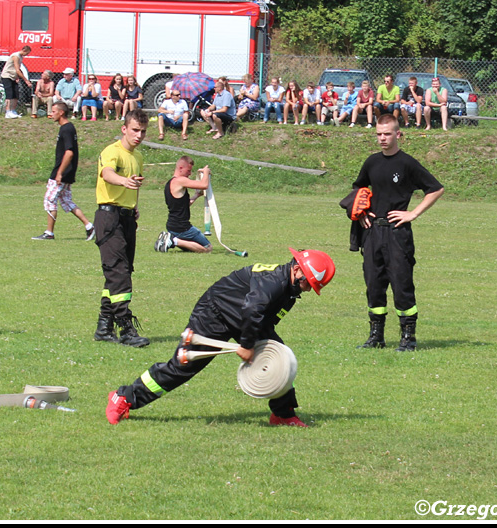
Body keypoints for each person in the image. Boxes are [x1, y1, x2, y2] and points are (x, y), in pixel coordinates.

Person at [105, 248, 336, 427]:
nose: (307, 289)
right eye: (308, 283)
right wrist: (247, 345)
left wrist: (261, 344)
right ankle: (123, 397)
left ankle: (283, 415)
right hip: (214, 314)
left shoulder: (289, 289)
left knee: (281, 362)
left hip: (245, 318)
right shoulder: (274, 282)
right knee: (183, 366)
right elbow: (253, 308)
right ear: (298, 270)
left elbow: (260, 317)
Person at [346, 115, 444, 352]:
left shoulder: (407, 164)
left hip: (398, 233)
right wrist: (362, 212)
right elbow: (359, 188)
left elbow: (436, 189)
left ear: (398, 134)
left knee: (401, 284)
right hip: (372, 233)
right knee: (374, 284)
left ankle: (408, 338)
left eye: (387, 134)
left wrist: (412, 214)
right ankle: (376, 336)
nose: (382, 138)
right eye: (379, 134)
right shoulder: (371, 163)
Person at [93, 109, 150, 348]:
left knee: (120, 272)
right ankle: (125, 327)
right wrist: (122, 180)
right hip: (109, 217)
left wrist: (133, 206)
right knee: (119, 273)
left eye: (143, 131)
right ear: (124, 128)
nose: (139, 135)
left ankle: (104, 327)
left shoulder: (137, 157)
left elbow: (133, 185)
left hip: (126, 218)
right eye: (135, 130)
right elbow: (107, 174)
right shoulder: (112, 151)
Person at [32, 102, 95, 242]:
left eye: (53, 111)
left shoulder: (66, 129)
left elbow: (69, 153)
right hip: (68, 171)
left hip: (62, 172)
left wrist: (59, 173)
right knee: (66, 201)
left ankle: (49, 232)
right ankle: (89, 226)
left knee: (49, 200)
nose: (51, 114)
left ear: (61, 113)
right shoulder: (68, 128)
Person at [154, 156, 211, 253]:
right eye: (188, 170)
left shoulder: (170, 183)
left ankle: (172, 239)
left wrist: (196, 195)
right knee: (207, 248)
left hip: (172, 226)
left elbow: (182, 206)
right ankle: (173, 240)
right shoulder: (179, 180)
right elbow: (204, 185)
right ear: (180, 168)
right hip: (183, 228)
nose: (189, 173)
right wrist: (206, 172)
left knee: (192, 250)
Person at [2, 45, 32, 119]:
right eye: (27, 53)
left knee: (16, 94)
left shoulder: (21, 57)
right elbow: (17, 69)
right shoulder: (16, 56)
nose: (27, 55)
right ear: (24, 50)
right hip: (7, 76)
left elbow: (17, 69)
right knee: (10, 94)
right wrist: (26, 81)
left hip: (13, 77)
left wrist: (17, 77)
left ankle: (13, 110)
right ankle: (8, 112)